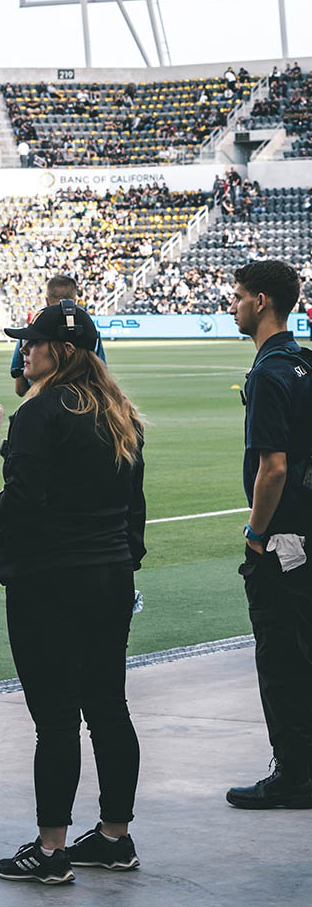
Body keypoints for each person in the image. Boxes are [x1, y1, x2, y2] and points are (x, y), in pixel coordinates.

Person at [0, 303, 146, 885]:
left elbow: (23, 500)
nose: (24, 351)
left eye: (33, 342)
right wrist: (125, 560)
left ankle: (52, 849)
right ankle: (114, 836)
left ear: (61, 351)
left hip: (49, 579)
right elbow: (136, 507)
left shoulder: (39, 413)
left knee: (55, 717)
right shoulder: (118, 410)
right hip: (109, 575)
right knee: (108, 704)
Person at [226, 260, 312, 809]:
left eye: (237, 297)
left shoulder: (268, 372)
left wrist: (257, 535)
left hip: (282, 543)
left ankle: (294, 775)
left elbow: (272, 467)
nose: (231, 306)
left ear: (260, 302)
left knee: (280, 657)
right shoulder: (304, 361)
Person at [11, 274, 106, 397]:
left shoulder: (29, 333)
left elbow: (20, 389)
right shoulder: (91, 334)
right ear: (75, 302)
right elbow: (101, 378)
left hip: (40, 402)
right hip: (82, 403)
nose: (25, 349)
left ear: (46, 301)